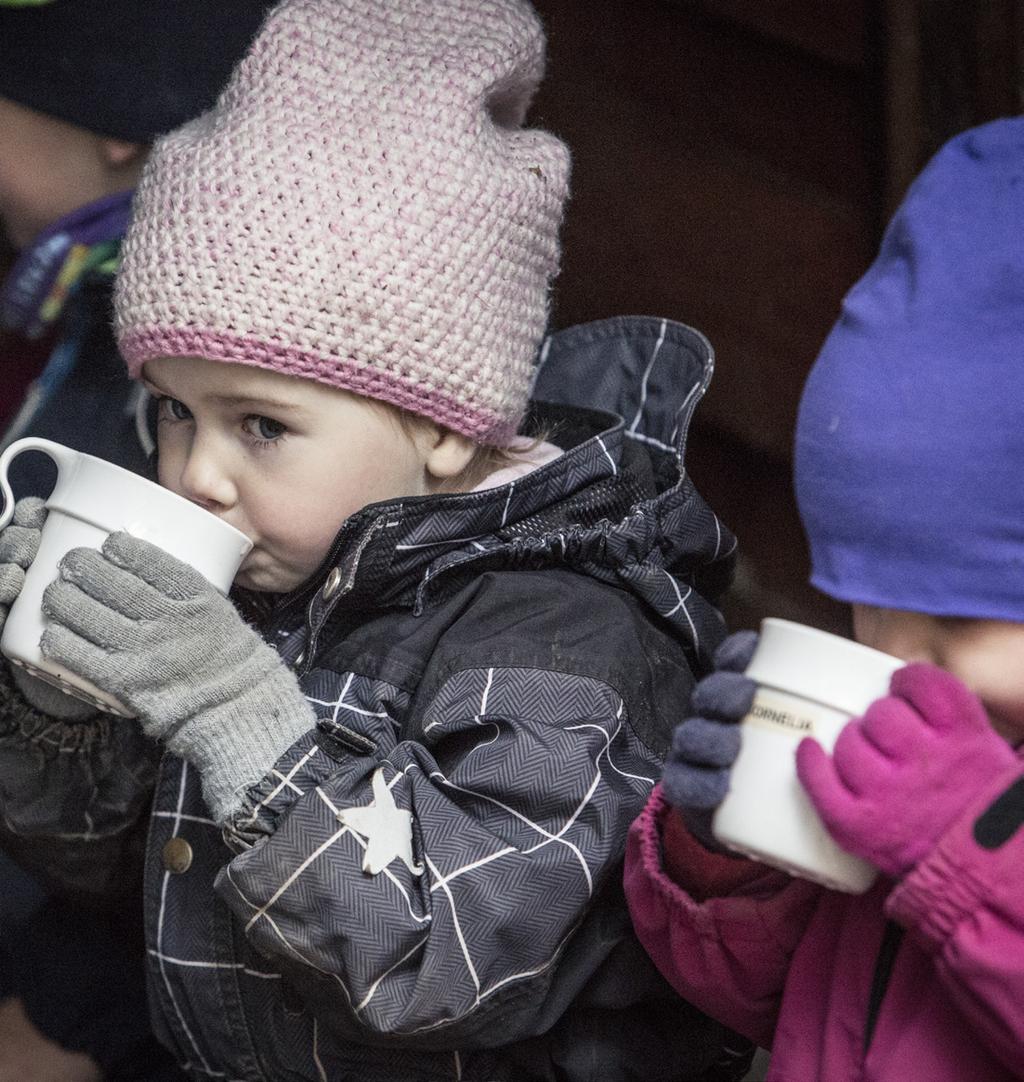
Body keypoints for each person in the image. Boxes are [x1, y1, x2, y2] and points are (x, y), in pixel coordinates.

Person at [0, 1, 753, 1078]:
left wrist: (236, 717)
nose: (196, 473)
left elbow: (441, 958)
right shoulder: (276, 562)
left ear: (446, 427)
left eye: (260, 424)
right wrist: (60, 707)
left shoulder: (567, 639)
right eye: (172, 409)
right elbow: (123, 875)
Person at [623, 116, 1024, 1081]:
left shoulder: (947, 809)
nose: (896, 661)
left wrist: (964, 849)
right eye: (864, 605)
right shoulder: (916, 770)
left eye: (958, 619)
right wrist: (728, 856)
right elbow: (773, 1000)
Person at [0, 2, 275, 1079]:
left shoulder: (176, 367)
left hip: (96, 977)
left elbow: (170, 787)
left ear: (118, 118)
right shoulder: (78, 297)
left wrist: (69, 1018)